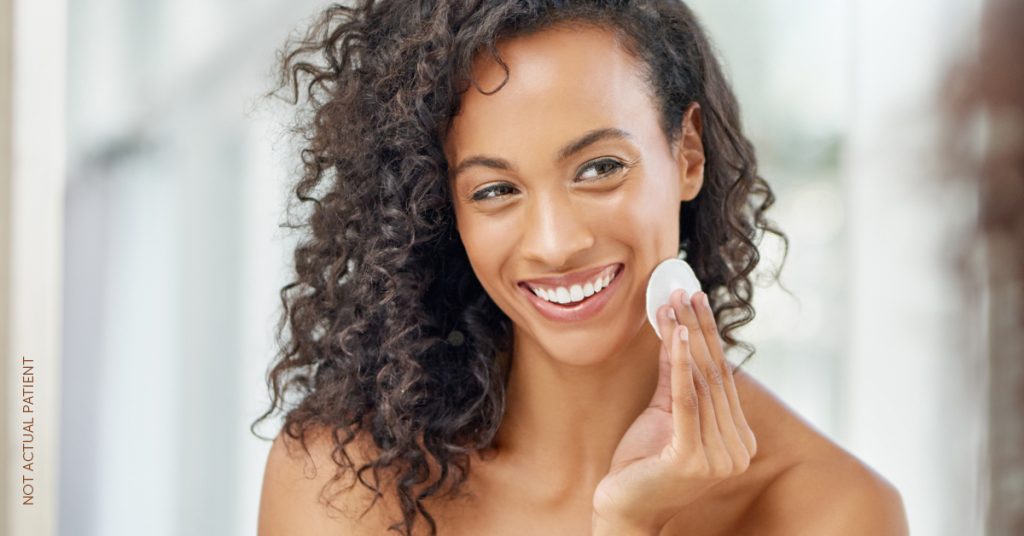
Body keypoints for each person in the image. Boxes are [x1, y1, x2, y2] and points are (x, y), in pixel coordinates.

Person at [254, 1, 908, 534]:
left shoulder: (833, 512)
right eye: (494, 190)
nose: (556, 243)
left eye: (600, 169)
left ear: (687, 155)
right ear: (443, 209)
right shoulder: (340, 483)